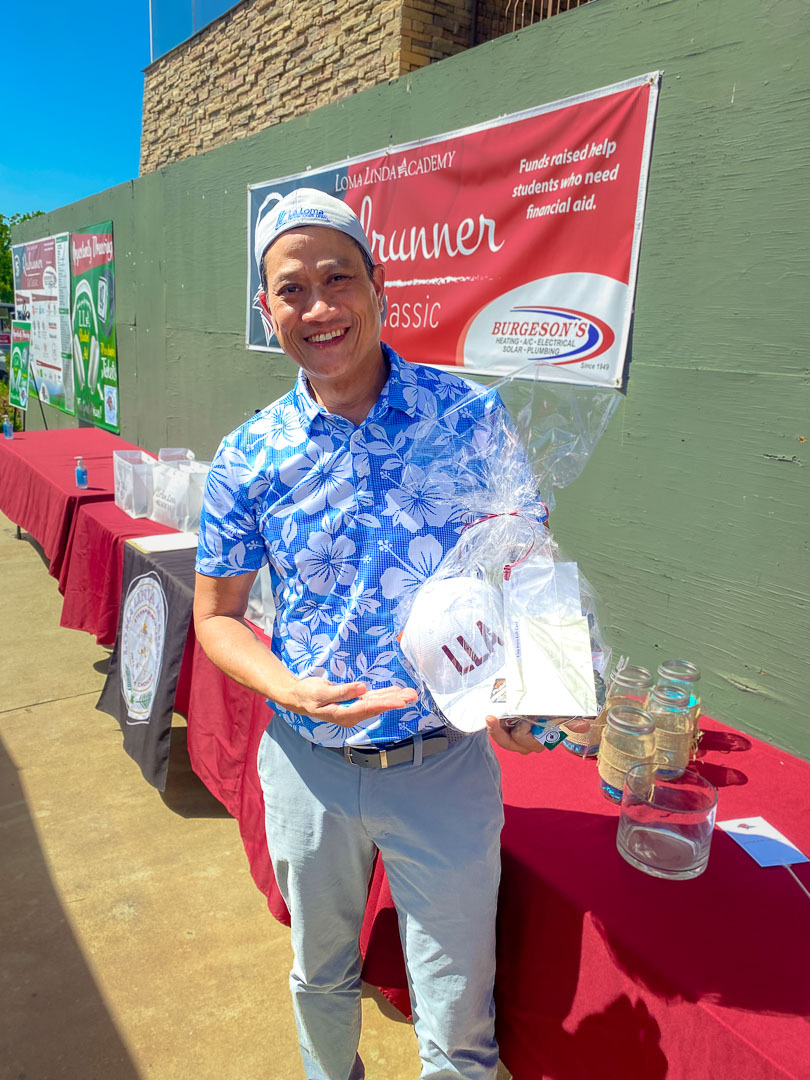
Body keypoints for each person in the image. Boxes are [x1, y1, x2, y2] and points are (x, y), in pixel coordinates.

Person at [193, 189, 557, 1080]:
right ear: (267, 309)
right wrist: (287, 688)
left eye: (338, 279)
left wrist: (535, 691)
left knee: (458, 1018)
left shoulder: (465, 417)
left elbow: (530, 571)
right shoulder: (249, 455)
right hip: (309, 767)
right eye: (292, 289)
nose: (319, 306)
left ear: (378, 284)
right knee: (320, 977)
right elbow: (216, 616)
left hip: (443, 766)